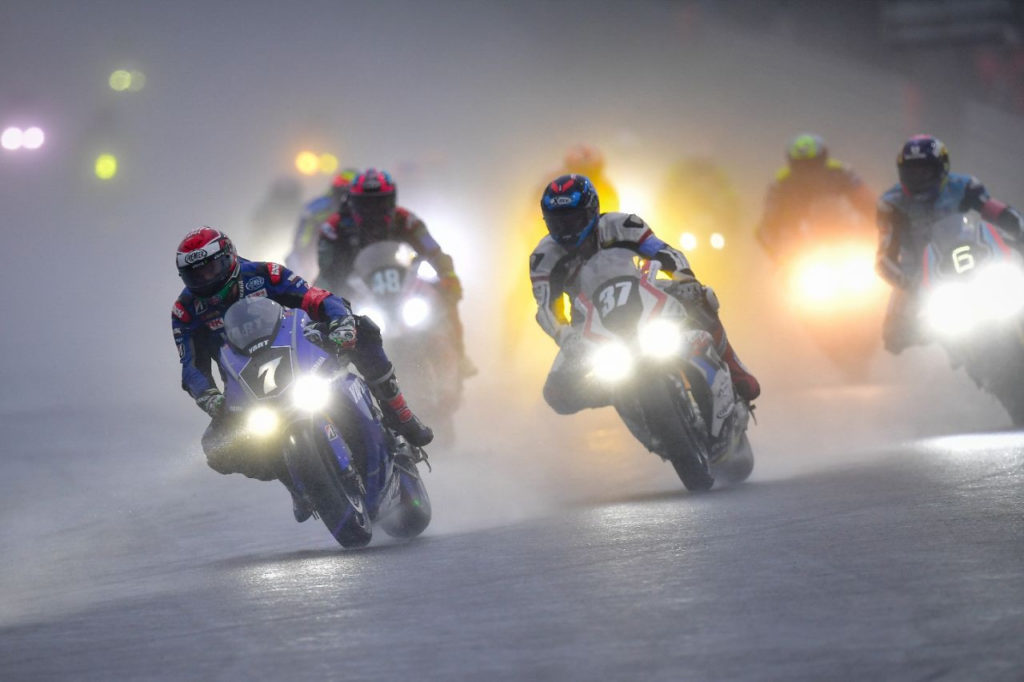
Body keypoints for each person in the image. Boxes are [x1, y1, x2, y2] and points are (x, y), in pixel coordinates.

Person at [172, 226, 432, 521]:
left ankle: (400, 412)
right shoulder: (186, 311)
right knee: (218, 449)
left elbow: (317, 297)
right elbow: (191, 366)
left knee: (364, 329)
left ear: (229, 257)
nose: (206, 279)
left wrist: (340, 323)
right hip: (248, 384)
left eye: (212, 268)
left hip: (303, 351)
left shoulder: (265, 274)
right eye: (197, 275)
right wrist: (208, 397)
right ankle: (295, 483)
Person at [529, 174, 760, 415]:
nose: (566, 231)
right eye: (557, 224)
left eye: (574, 221)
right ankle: (622, 392)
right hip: (590, 321)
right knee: (556, 393)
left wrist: (685, 279)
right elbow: (545, 307)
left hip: (644, 292)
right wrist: (564, 334)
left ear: (592, 210)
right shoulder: (543, 258)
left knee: (703, 297)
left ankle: (735, 370)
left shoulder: (624, 224)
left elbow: (665, 252)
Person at [316, 168, 475, 376]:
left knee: (445, 297)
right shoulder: (334, 229)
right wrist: (334, 297)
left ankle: (459, 356)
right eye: (366, 204)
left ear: (392, 201)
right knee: (318, 309)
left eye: (380, 203)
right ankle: (325, 369)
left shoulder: (407, 221)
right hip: (356, 288)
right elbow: (328, 273)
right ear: (353, 202)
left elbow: (435, 252)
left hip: (404, 285)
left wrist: (449, 278)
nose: (373, 210)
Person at [876, 134, 1024, 353]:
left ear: (941, 168)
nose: (918, 179)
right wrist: (911, 285)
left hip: (975, 253)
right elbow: (884, 258)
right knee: (893, 336)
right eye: (911, 172)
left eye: (925, 171)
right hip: (920, 271)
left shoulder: (965, 185)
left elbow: (998, 212)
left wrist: (1018, 229)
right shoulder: (890, 203)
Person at [756, 133, 876, 260]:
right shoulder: (781, 183)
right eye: (801, 167)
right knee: (779, 275)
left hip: (848, 238)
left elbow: (868, 203)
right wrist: (779, 255)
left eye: (813, 165)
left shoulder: (841, 172)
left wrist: (877, 231)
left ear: (823, 160)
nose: (808, 173)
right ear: (792, 164)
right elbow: (768, 226)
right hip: (802, 250)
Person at [284, 168, 359, 280]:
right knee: (295, 268)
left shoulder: (363, 209)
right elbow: (304, 229)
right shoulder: (319, 206)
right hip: (315, 254)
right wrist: (301, 250)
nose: (346, 197)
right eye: (343, 190)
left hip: (351, 258)